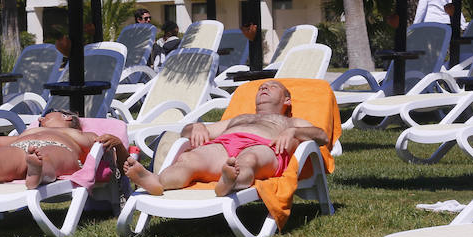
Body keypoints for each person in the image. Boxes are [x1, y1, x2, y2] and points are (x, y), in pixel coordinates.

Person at [123, 80, 328, 197]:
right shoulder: (240, 118)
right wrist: (197, 127)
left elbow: (322, 136)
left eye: (272, 87)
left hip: (265, 146)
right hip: (224, 144)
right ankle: (156, 182)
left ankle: (230, 181)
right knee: (189, 160)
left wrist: (294, 132)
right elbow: (187, 132)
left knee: (248, 160)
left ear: (287, 100)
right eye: (260, 88)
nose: (263, 88)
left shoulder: (291, 122)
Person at [0, 109, 127, 190]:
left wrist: (116, 142)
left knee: (49, 158)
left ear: (67, 117)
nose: (39, 119)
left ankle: (38, 171)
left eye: (47, 115)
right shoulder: (24, 135)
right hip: (22, 147)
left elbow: (113, 156)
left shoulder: (77, 135)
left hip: (61, 148)